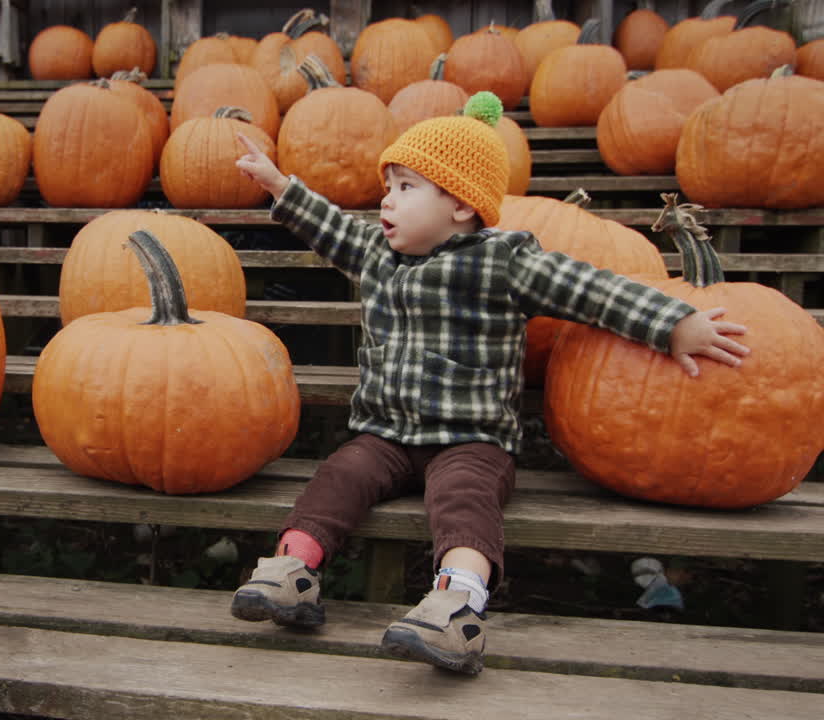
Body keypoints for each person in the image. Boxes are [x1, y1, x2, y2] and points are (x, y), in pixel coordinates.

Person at [228, 91, 750, 675]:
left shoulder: (505, 260)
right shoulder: (380, 256)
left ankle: (458, 607)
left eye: (405, 187)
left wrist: (674, 323)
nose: (386, 200)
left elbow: (592, 289)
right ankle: (291, 570)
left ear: (457, 204)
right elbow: (333, 230)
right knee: (339, 474)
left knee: (463, 503)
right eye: (388, 186)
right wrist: (280, 186)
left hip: (472, 441)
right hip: (386, 435)